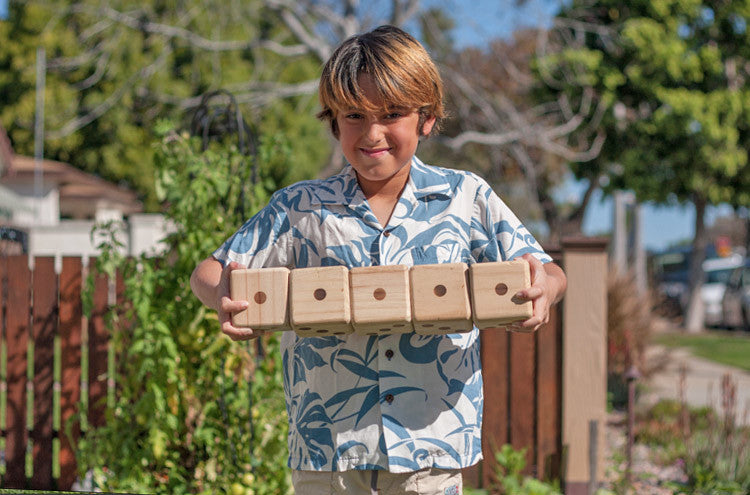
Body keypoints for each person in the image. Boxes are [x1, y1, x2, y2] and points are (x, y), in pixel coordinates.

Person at [190, 25, 566, 495]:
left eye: (391, 113)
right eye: (353, 115)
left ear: (426, 118)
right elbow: (208, 271)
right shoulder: (298, 208)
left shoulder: (465, 197)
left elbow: (546, 270)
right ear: (332, 120)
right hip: (327, 450)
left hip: (432, 446)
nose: (372, 133)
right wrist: (223, 293)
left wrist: (544, 290)